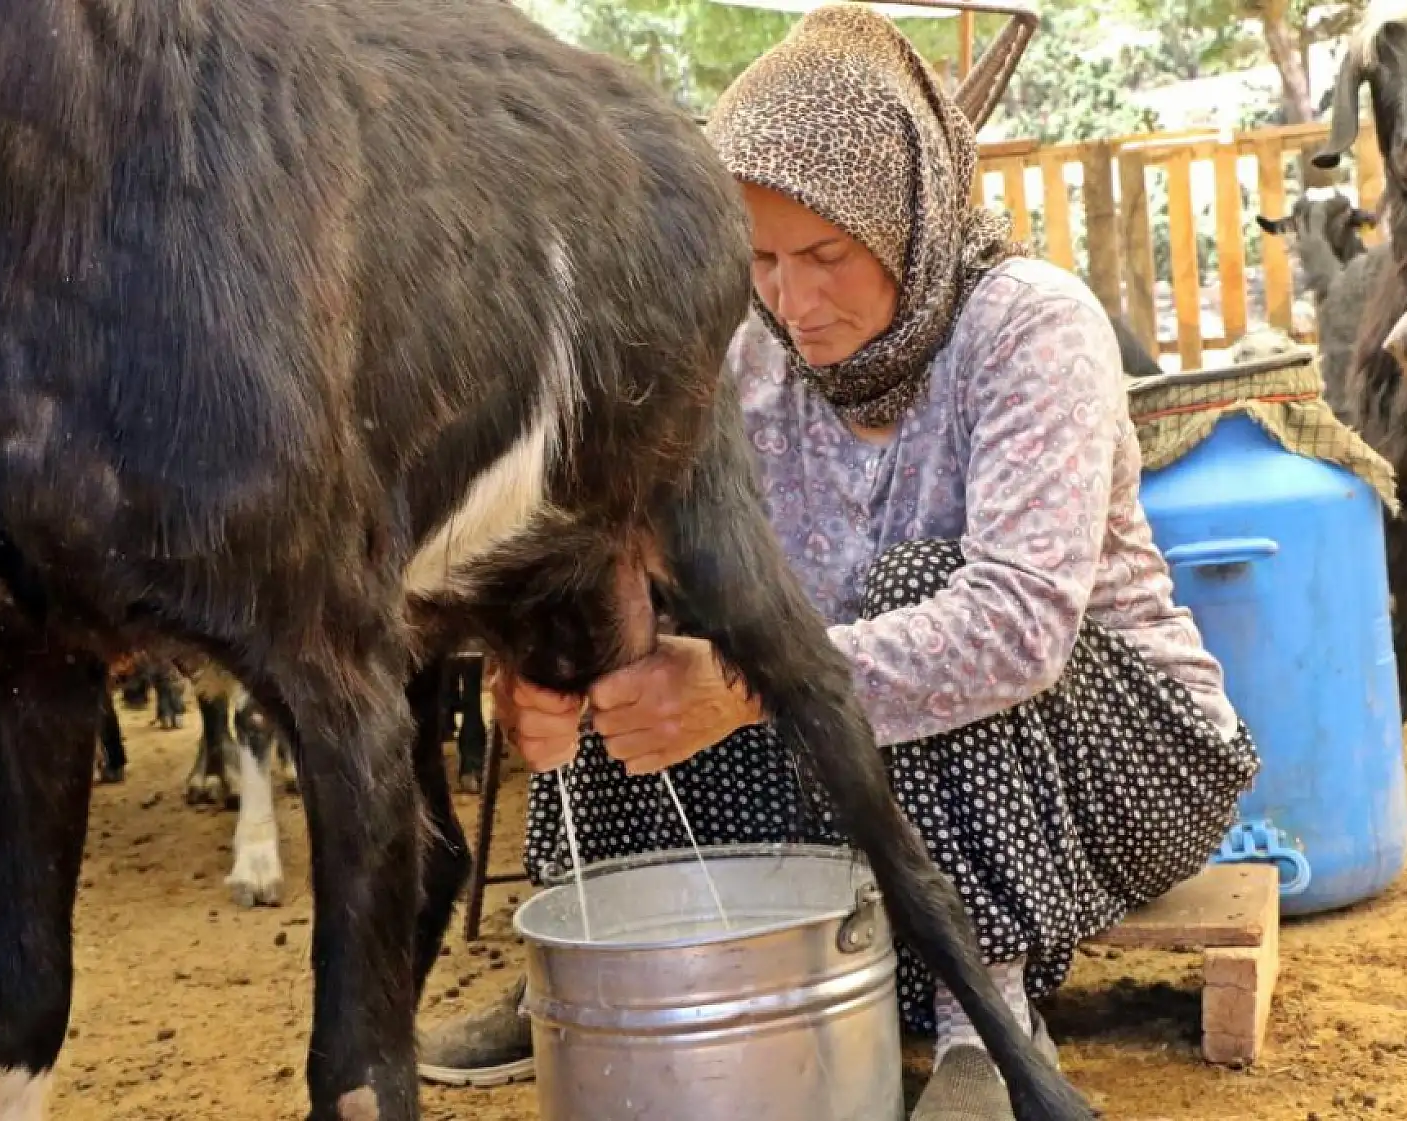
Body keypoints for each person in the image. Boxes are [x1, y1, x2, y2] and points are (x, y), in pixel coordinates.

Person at [417, 5, 1260, 1115]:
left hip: (1118, 764)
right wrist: (561, 683)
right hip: (873, 764)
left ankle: (984, 1021)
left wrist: (739, 686)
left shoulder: (1029, 327)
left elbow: (1017, 628)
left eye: (826, 256)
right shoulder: (742, 351)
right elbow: (640, 561)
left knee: (919, 591)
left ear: (908, 218)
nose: (793, 300)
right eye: (761, 259)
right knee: (630, 622)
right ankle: (600, 950)